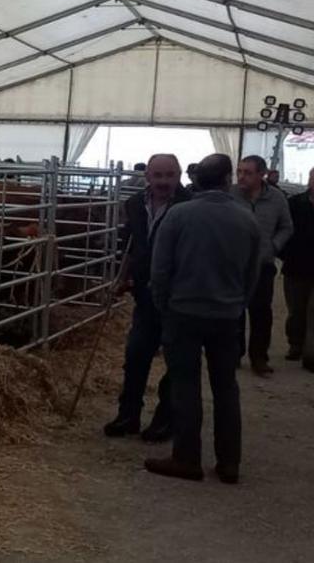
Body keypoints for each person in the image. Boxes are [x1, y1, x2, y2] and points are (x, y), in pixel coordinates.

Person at [147, 153, 259, 483]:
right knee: (226, 387)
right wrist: (238, 305)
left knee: (185, 385)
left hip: (183, 312)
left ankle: (187, 458)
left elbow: (160, 269)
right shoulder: (246, 219)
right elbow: (252, 274)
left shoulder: (179, 215)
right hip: (227, 315)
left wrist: (164, 305)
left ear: (195, 179)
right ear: (227, 180)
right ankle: (229, 462)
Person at [105, 154, 190, 442]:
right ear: (148, 177)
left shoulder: (189, 205)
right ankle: (128, 414)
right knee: (136, 354)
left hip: (178, 297)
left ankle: (165, 418)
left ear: (179, 175)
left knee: (176, 360)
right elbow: (130, 245)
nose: (164, 181)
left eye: (170, 175)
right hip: (144, 292)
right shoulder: (134, 205)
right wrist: (121, 278)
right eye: (158, 175)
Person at [232, 155, 294, 376]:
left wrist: (273, 247)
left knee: (261, 313)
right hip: (234, 264)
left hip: (262, 265)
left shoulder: (277, 198)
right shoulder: (230, 195)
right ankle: (234, 354)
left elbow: (286, 227)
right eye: (239, 171)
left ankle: (259, 357)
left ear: (262, 175)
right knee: (233, 311)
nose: (241, 177)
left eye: (248, 173)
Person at [279, 167, 314, 371]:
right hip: (295, 267)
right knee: (296, 311)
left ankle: (310, 353)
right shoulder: (293, 204)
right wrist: (284, 254)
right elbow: (283, 229)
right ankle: (296, 344)